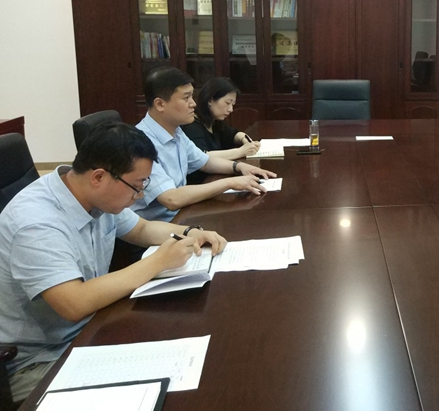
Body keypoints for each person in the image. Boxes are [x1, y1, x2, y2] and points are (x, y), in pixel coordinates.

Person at [0, 123, 227, 405]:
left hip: (90, 327)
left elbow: (141, 229)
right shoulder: (36, 223)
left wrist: (190, 232)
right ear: (98, 176)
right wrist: (158, 262)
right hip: (38, 360)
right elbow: (74, 303)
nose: (140, 195)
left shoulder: (91, 193)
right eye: (137, 186)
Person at [131, 67, 275, 223]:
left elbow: (205, 162)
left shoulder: (176, 131)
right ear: (160, 104)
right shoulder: (140, 143)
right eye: (186, 98)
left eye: (192, 97)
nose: (193, 104)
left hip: (183, 214)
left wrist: (239, 167)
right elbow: (171, 199)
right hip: (156, 226)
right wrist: (230, 182)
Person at [182, 77, 261, 185]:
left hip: (216, 177)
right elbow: (201, 157)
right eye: (227, 103)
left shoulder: (215, 120)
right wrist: (241, 151)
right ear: (210, 100)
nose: (230, 109)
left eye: (233, 104)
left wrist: (244, 139)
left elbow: (232, 134)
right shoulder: (191, 126)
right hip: (201, 184)